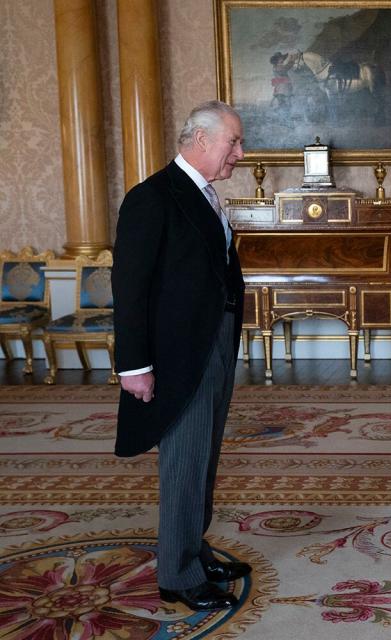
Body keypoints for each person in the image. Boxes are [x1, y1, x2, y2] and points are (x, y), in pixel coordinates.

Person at [112, 100, 249, 611]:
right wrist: (134, 365)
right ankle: (177, 575)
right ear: (200, 140)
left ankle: (193, 548)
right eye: (233, 141)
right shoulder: (153, 197)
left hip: (210, 343)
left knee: (204, 458)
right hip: (176, 355)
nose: (241, 151)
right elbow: (130, 288)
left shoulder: (203, 193)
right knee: (184, 462)